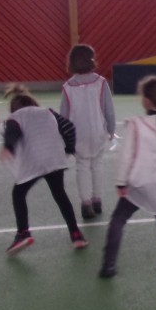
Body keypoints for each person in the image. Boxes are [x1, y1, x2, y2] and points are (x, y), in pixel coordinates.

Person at [98, 75, 156, 279]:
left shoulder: (137, 125)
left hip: (139, 184)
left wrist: (121, 182)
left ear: (146, 100)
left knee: (118, 219)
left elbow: (126, 157)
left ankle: (108, 265)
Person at [0, 84, 88, 255]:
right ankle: (76, 234)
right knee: (60, 194)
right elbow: (69, 127)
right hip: (54, 157)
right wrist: (69, 147)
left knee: (18, 194)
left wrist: (8, 147)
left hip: (33, 160)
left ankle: (23, 232)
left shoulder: (15, 117)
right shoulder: (48, 112)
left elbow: (12, 132)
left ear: (14, 108)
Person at [59, 44, 116, 221]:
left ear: (71, 62)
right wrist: (111, 129)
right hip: (98, 133)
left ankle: (86, 204)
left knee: (82, 167)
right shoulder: (101, 83)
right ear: (92, 60)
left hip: (78, 136)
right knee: (97, 166)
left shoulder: (68, 87)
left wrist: (64, 139)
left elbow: (63, 116)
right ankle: (97, 200)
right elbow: (109, 110)